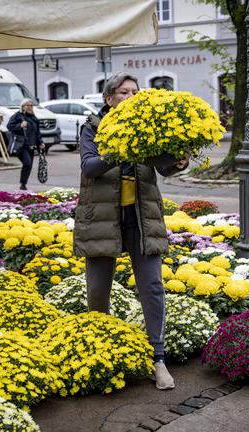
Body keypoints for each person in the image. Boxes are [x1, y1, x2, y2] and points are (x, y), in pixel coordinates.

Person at [73, 72, 188, 390]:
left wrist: (178, 160)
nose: (131, 97)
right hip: (101, 219)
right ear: (109, 99)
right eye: (124, 92)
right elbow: (89, 167)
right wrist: (120, 149)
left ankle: (158, 359)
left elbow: (163, 165)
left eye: (135, 92)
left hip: (141, 218)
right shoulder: (93, 127)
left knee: (151, 287)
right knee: (98, 290)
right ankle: (101, 350)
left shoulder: (148, 127)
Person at [7, 98, 44, 190]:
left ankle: (23, 184)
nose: (30, 107)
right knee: (27, 163)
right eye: (27, 105)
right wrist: (20, 125)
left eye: (31, 105)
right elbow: (9, 126)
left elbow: (37, 133)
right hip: (21, 145)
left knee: (29, 165)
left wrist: (40, 142)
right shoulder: (18, 116)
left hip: (31, 145)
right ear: (22, 106)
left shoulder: (34, 118)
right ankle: (23, 185)